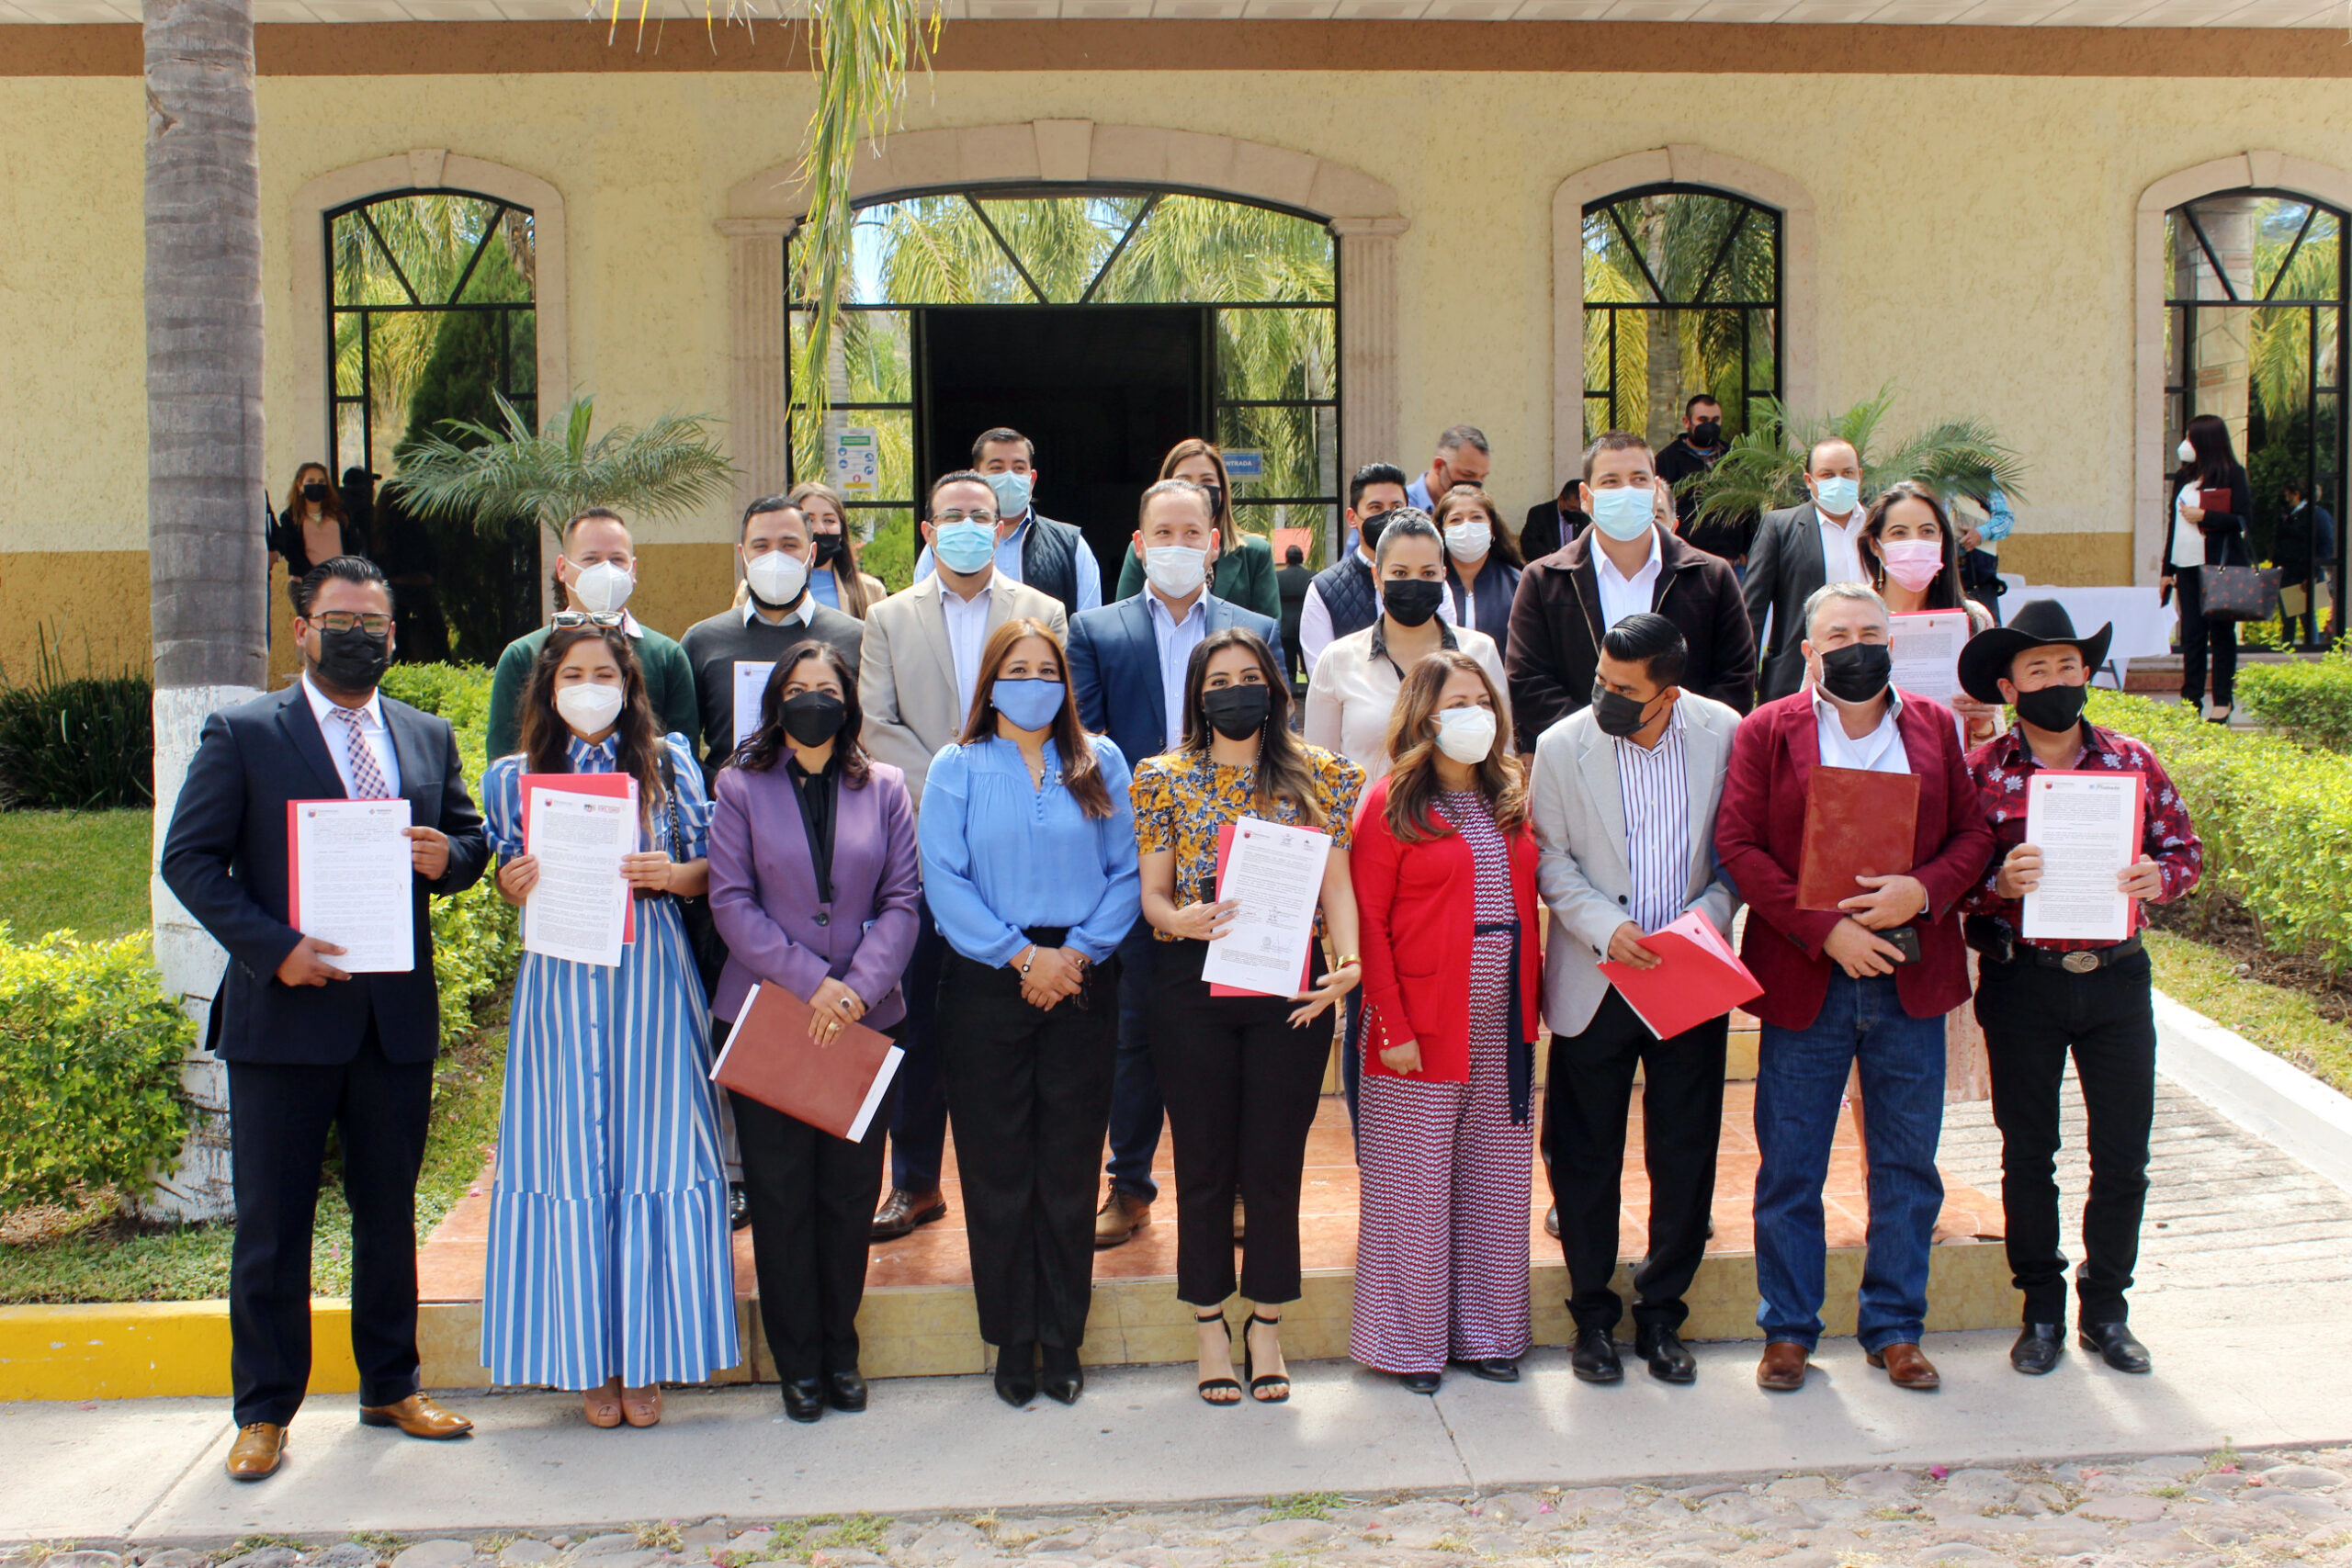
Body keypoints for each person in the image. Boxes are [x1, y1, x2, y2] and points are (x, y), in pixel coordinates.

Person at [161, 556, 490, 1482]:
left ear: (394, 635)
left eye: (375, 623)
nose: (359, 634)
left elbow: (471, 841)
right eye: (339, 619)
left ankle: (391, 1383)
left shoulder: (425, 735)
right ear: (302, 629)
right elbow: (190, 862)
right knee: (274, 1222)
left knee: (388, 1215)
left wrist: (449, 859)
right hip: (286, 1018)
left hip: (391, 1019)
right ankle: (264, 1411)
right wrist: (275, 948)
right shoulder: (243, 732)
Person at [1714, 582, 1994, 1394]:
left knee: (1908, 1163)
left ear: (1894, 641)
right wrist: (1821, 928)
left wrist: (1924, 890)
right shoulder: (1770, 730)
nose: (1856, 645)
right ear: (1809, 650)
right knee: (1791, 1163)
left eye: (1871, 631)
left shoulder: (1934, 727)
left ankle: (1895, 1325)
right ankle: (1789, 1328)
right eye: (1838, 633)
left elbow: (1974, 833)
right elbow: (1739, 842)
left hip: (1911, 975)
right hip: (1810, 976)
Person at [480, 623, 738, 1427]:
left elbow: (712, 870)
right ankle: (587, 1358)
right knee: (569, 1154)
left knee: (658, 1148)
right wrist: (509, 881)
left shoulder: (668, 765)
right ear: (548, 686)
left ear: (628, 685)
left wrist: (671, 874)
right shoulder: (510, 777)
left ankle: (651, 1354)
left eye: (605, 672)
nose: (590, 685)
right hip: (558, 979)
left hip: (650, 973)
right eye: (573, 673)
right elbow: (499, 873)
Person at [1956, 601, 2203, 1377]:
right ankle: (2039, 1310)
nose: (2058, 680)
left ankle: (2107, 1307)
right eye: (2039, 669)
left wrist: (2156, 877)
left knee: (2123, 1153)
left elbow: (2185, 850)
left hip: (2116, 979)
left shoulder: (2132, 759)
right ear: (2009, 685)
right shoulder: (1983, 771)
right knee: (2029, 1152)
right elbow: (1954, 879)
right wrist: (2000, 882)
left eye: (2069, 666)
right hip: (2022, 979)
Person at [1131, 627, 1363, 1405]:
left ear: (1274, 686)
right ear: (1199, 694)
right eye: (1219, 678)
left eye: (1249, 675)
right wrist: (1178, 918)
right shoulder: (1161, 777)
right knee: (1201, 1162)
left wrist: (1349, 963)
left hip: (1290, 989)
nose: (1235, 688)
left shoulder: (1322, 775)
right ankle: (1207, 1324)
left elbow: (1336, 886)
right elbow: (1153, 895)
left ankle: (1266, 1319)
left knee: (1273, 1162)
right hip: (1191, 984)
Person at [921, 618, 1140, 1407]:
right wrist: (1022, 957)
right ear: (990, 680)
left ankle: (1062, 1336)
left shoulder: (1099, 760)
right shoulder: (957, 766)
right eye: (1017, 668)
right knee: (996, 1162)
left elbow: (1127, 872)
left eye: (1047, 669)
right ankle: (1013, 1337)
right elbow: (943, 878)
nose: (1034, 681)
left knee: (1071, 1163)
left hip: (1082, 975)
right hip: (988, 980)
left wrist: (1073, 956)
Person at [1067, 479, 1283, 1249]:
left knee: (1229, 1035)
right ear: (1138, 543)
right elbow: (1083, 744)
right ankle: (1129, 1184)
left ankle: (1227, 1189)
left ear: (1216, 542)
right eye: (1164, 531)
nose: (1179, 543)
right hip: (1135, 864)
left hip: (1236, 868)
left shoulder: (1254, 627)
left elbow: (1275, 735)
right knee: (1134, 1032)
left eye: (1193, 531)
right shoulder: (1095, 629)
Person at [707, 641, 922, 1422]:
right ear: (776, 701)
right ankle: (797, 1360)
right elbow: (730, 901)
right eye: (796, 688)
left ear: (848, 700)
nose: (811, 700)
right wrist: (812, 983)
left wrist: (857, 989)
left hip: (865, 1022)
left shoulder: (887, 786)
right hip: (771, 1014)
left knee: (847, 1192)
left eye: (825, 688)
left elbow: (903, 899)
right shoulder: (739, 785)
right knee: (781, 1194)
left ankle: (841, 1348)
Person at [1530, 614, 1742, 1386]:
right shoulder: (1561, 746)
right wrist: (1606, 928)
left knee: (1684, 1149)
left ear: (1667, 691)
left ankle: (1661, 1313)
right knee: (1583, 1154)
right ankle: (1591, 1315)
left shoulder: (1723, 732)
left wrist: (1705, 923)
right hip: (1597, 975)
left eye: (1625, 689)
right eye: (1600, 680)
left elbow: (1738, 850)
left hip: (1688, 973)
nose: (1605, 697)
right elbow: (1549, 857)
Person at [859, 471, 1068, 1241]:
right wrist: (960, 791)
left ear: (1002, 525)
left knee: (1007, 1013)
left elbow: (1056, 712)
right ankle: (914, 1180)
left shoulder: (1041, 612)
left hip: (1021, 848)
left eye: (982, 515)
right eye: (955, 515)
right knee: (914, 1012)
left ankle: (1025, 1170)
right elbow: (876, 725)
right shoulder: (885, 618)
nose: (969, 525)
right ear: (928, 530)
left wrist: (997, 792)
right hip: (916, 844)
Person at [1349, 650, 1543, 1394]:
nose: (1473, 714)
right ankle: (1409, 1345)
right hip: (1418, 1023)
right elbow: (1368, 921)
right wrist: (1389, 1023)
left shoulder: (1511, 797)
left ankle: (1489, 1333)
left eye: (1481, 699)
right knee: (1414, 1187)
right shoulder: (1391, 802)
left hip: (1503, 1021)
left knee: (1495, 1179)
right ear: (1423, 715)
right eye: (1454, 702)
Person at [1505, 431, 1755, 755]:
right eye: (1610, 481)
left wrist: (1669, 734)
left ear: (1655, 490)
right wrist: (1596, 736)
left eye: (1638, 479)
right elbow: (1528, 680)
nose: (1626, 491)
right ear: (1586, 496)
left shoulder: (1711, 576)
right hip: (1581, 761)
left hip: (1686, 759)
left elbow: (1735, 676)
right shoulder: (1543, 579)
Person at [1306, 509, 1510, 785]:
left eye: (1428, 573)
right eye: (1400, 573)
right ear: (1378, 576)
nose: (1414, 584)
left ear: (1443, 576)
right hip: (1366, 825)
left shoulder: (1478, 652)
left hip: (1460, 824)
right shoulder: (1338, 659)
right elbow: (1319, 772)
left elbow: (1502, 756)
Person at [485, 508, 699, 762]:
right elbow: (503, 762)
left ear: (633, 570)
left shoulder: (666, 656)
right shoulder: (523, 655)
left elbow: (683, 762)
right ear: (563, 568)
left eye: (617, 560)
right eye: (591, 559)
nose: (606, 570)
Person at [680, 494, 866, 781]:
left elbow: (871, 738)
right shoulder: (702, 641)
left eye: (789, 545)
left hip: (832, 814)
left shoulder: (857, 638)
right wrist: (716, 787)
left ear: (812, 554)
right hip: (730, 817)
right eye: (761, 546)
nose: (775, 557)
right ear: (743, 554)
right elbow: (681, 747)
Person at [1860, 480, 2002, 749]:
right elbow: (1811, 710)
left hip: (1947, 773)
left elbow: (1991, 741)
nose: (1915, 544)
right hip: (1869, 775)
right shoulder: (1848, 617)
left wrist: (1983, 725)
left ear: (1942, 542)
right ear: (1875, 545)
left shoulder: (1974, 620)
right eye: (1900, 534)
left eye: (1927, 532)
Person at [912, 427, 1102, 616]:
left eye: (1019, 468)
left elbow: (1089, 628)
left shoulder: (1070, 544)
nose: (1009, 476)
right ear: (976, 477)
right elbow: (922, 613)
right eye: (997, 468)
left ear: (1032, 479)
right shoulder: (945, 541)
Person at [1744, 437, 1872, 704]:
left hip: (1871, 672)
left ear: (1859, 476)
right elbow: (1752, 609)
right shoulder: (1781, 527)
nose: (1839, 481)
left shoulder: (1878, 527)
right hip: (1797, 676)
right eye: (1827, 474)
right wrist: (1743, 679)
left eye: (1847, 473)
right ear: (1808, 480)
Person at [1114, 438, 1282, 620]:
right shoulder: (1145, 550)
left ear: (1222, 492)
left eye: (1207, 480)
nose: (1196, 489)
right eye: (1183, 481)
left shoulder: (1255, 553)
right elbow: (1125, 620)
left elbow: (1267, 630)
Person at [2165, 413, 2255, 723]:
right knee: (2191, 635)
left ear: (2205, 441)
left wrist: (2205, 515)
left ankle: (2222, 701)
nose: (2185, 444)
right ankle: (2191, 699)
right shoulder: (2183, 477)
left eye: (2191, 437)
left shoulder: (2232, 474)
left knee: (2221, 634)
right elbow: (2173, 525)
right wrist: (2167, 569)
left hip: (2219, 566)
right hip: (2186, 566)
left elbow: (2243, 520)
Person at [1299, 463, 1412, 671]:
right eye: (1375, 508)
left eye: (1397, 507)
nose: (1389, 516)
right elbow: (1322, 678)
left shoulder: (1432, 582)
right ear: (1353, 517)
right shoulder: (1323, 591)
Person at [1656, 395, 1745, 561]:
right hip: (1686, 558)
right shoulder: (1667, 459)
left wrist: (1747, 549)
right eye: (1702, 419)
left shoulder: (1734, 457)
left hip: (1731, 560)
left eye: (1715, 420)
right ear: (1687, 422)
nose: (1709, 426)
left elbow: (1748, 504)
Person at [1435, 485, 1523, 648]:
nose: (1467, 526)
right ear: (1442, 531)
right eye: (1456, 520)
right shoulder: (1431, 584)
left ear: (1492, 528)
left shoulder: (1517, 584)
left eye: (1476, 517)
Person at [790, 480, 890, 618]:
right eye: (809, 520)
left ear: (841, 531)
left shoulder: (870, 590)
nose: (820, 529)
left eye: (829, 520)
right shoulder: (766, 589)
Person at [269, 462, 356, 581]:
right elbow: (293, 552)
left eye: (321, 482)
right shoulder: (290, 517)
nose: (316, 485)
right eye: (310, 481)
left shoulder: (340, 513)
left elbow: (353, 544)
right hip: (306, 582)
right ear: (300, 486)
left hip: (341, 581)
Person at [2276, 478, 2336, 648]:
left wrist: (2313, 574)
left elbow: (2325, 546)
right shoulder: (2290, 515)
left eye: (2287, 493)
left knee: (2307, 619)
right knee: (2288, 620)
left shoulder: (2316, 515)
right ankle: (2286, 652)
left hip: (2304, 576)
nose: (2285, 497)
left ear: (2296, 494)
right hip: (2288, 574)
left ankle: (2312, 654)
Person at [1406, 424, 1491, 513]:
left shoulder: (1479, 514)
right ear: (1439, 466)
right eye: (1467, 475)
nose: (1475, 487)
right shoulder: (1402, 505)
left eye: (1482, 477)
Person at [1520, 479, 1586, 565]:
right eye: (1572, 508)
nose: (1576, 513)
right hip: (1548, 567)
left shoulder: (1583, 517)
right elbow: (1528, 544)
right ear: (1561, 499)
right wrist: (1553, 558)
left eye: (1579, 509)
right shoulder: (1540, 514)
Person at [1277, 543, 1314, 695]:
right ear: (1302, 558)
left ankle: (1290, 694)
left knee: (1288, 667)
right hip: (1307, 627)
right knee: (1310, 666)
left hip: (1285, 627)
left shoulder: (1277, 577)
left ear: (1286, 559)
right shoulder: (1313, 576)